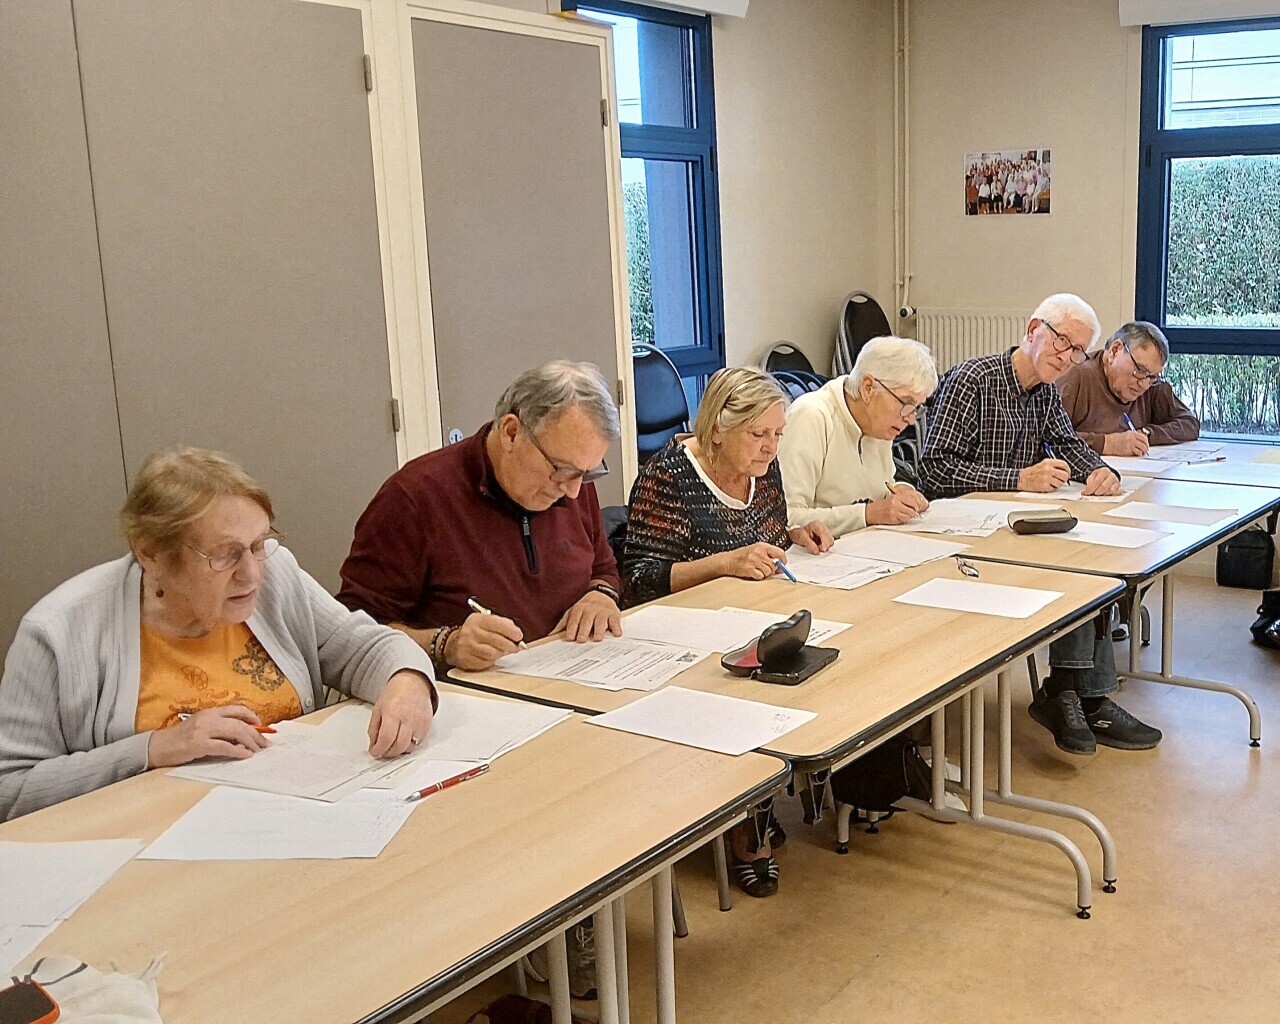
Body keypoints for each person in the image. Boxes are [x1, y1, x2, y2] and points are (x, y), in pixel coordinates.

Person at [0, 447, 437, 821]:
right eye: (225, 555)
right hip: (147, 857)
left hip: (292, 818)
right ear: (151, 553)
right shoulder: (60, 632)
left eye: (259, 544)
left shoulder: (275, 576)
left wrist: (408, 682)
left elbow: (366, 646)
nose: (251, 574)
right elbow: (11, 791)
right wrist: (152, 749)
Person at [920, 293, 1162, 755]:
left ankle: (1081, 695)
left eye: (1077, 352)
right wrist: (1017, 478)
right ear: (1034, 329)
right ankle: (1073, 696)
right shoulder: (973, 380)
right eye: (1062, 343)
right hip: (958, 532)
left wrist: (1099, 470)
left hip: (1013, 525)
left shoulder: (1046, 392)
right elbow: (934, 470)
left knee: (1093, 561)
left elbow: (1070, 445)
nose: (1067, 358)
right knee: (1070, 569)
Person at [623, 366, 832, 897]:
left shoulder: (765, 469)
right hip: (683, 631)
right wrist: (723, 564)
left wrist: (791, 532)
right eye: (758, 435)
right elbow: (641, 580)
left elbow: (761, 531)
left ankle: (759, 795)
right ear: (717, 427)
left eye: (778, 434)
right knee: (753, 689)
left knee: (811, 669)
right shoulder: (669, 473)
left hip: (751, 616)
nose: (770, 447)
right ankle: (746, 823)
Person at [339, 360, 623, 675]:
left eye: (586, 474)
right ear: (512, 433)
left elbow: (603, 568)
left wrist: (601, 595)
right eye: (561, 470)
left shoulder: (573, 482)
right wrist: (444, 644)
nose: (572, 492)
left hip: (570, 678)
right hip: (458, 701)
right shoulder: (413, 499)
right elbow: (351, 633)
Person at [778, 335, 937, 536]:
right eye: (905, 403)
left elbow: (881, 487)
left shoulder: (878, 424)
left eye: (916, 407)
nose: (911, 419)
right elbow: (787, 517)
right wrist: (866, 515)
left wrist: (902, 491)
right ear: (868, 387)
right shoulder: (810, 416)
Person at [1057, 321, 1200, 456]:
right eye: (1139, 370)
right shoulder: (1075, 376)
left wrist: (1145, 434)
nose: (1144, 385)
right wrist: (1108, 444)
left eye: (1152, 376)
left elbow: (1190, 424)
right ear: (1115, 350)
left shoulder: (1151, 385)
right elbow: (1049, 439)